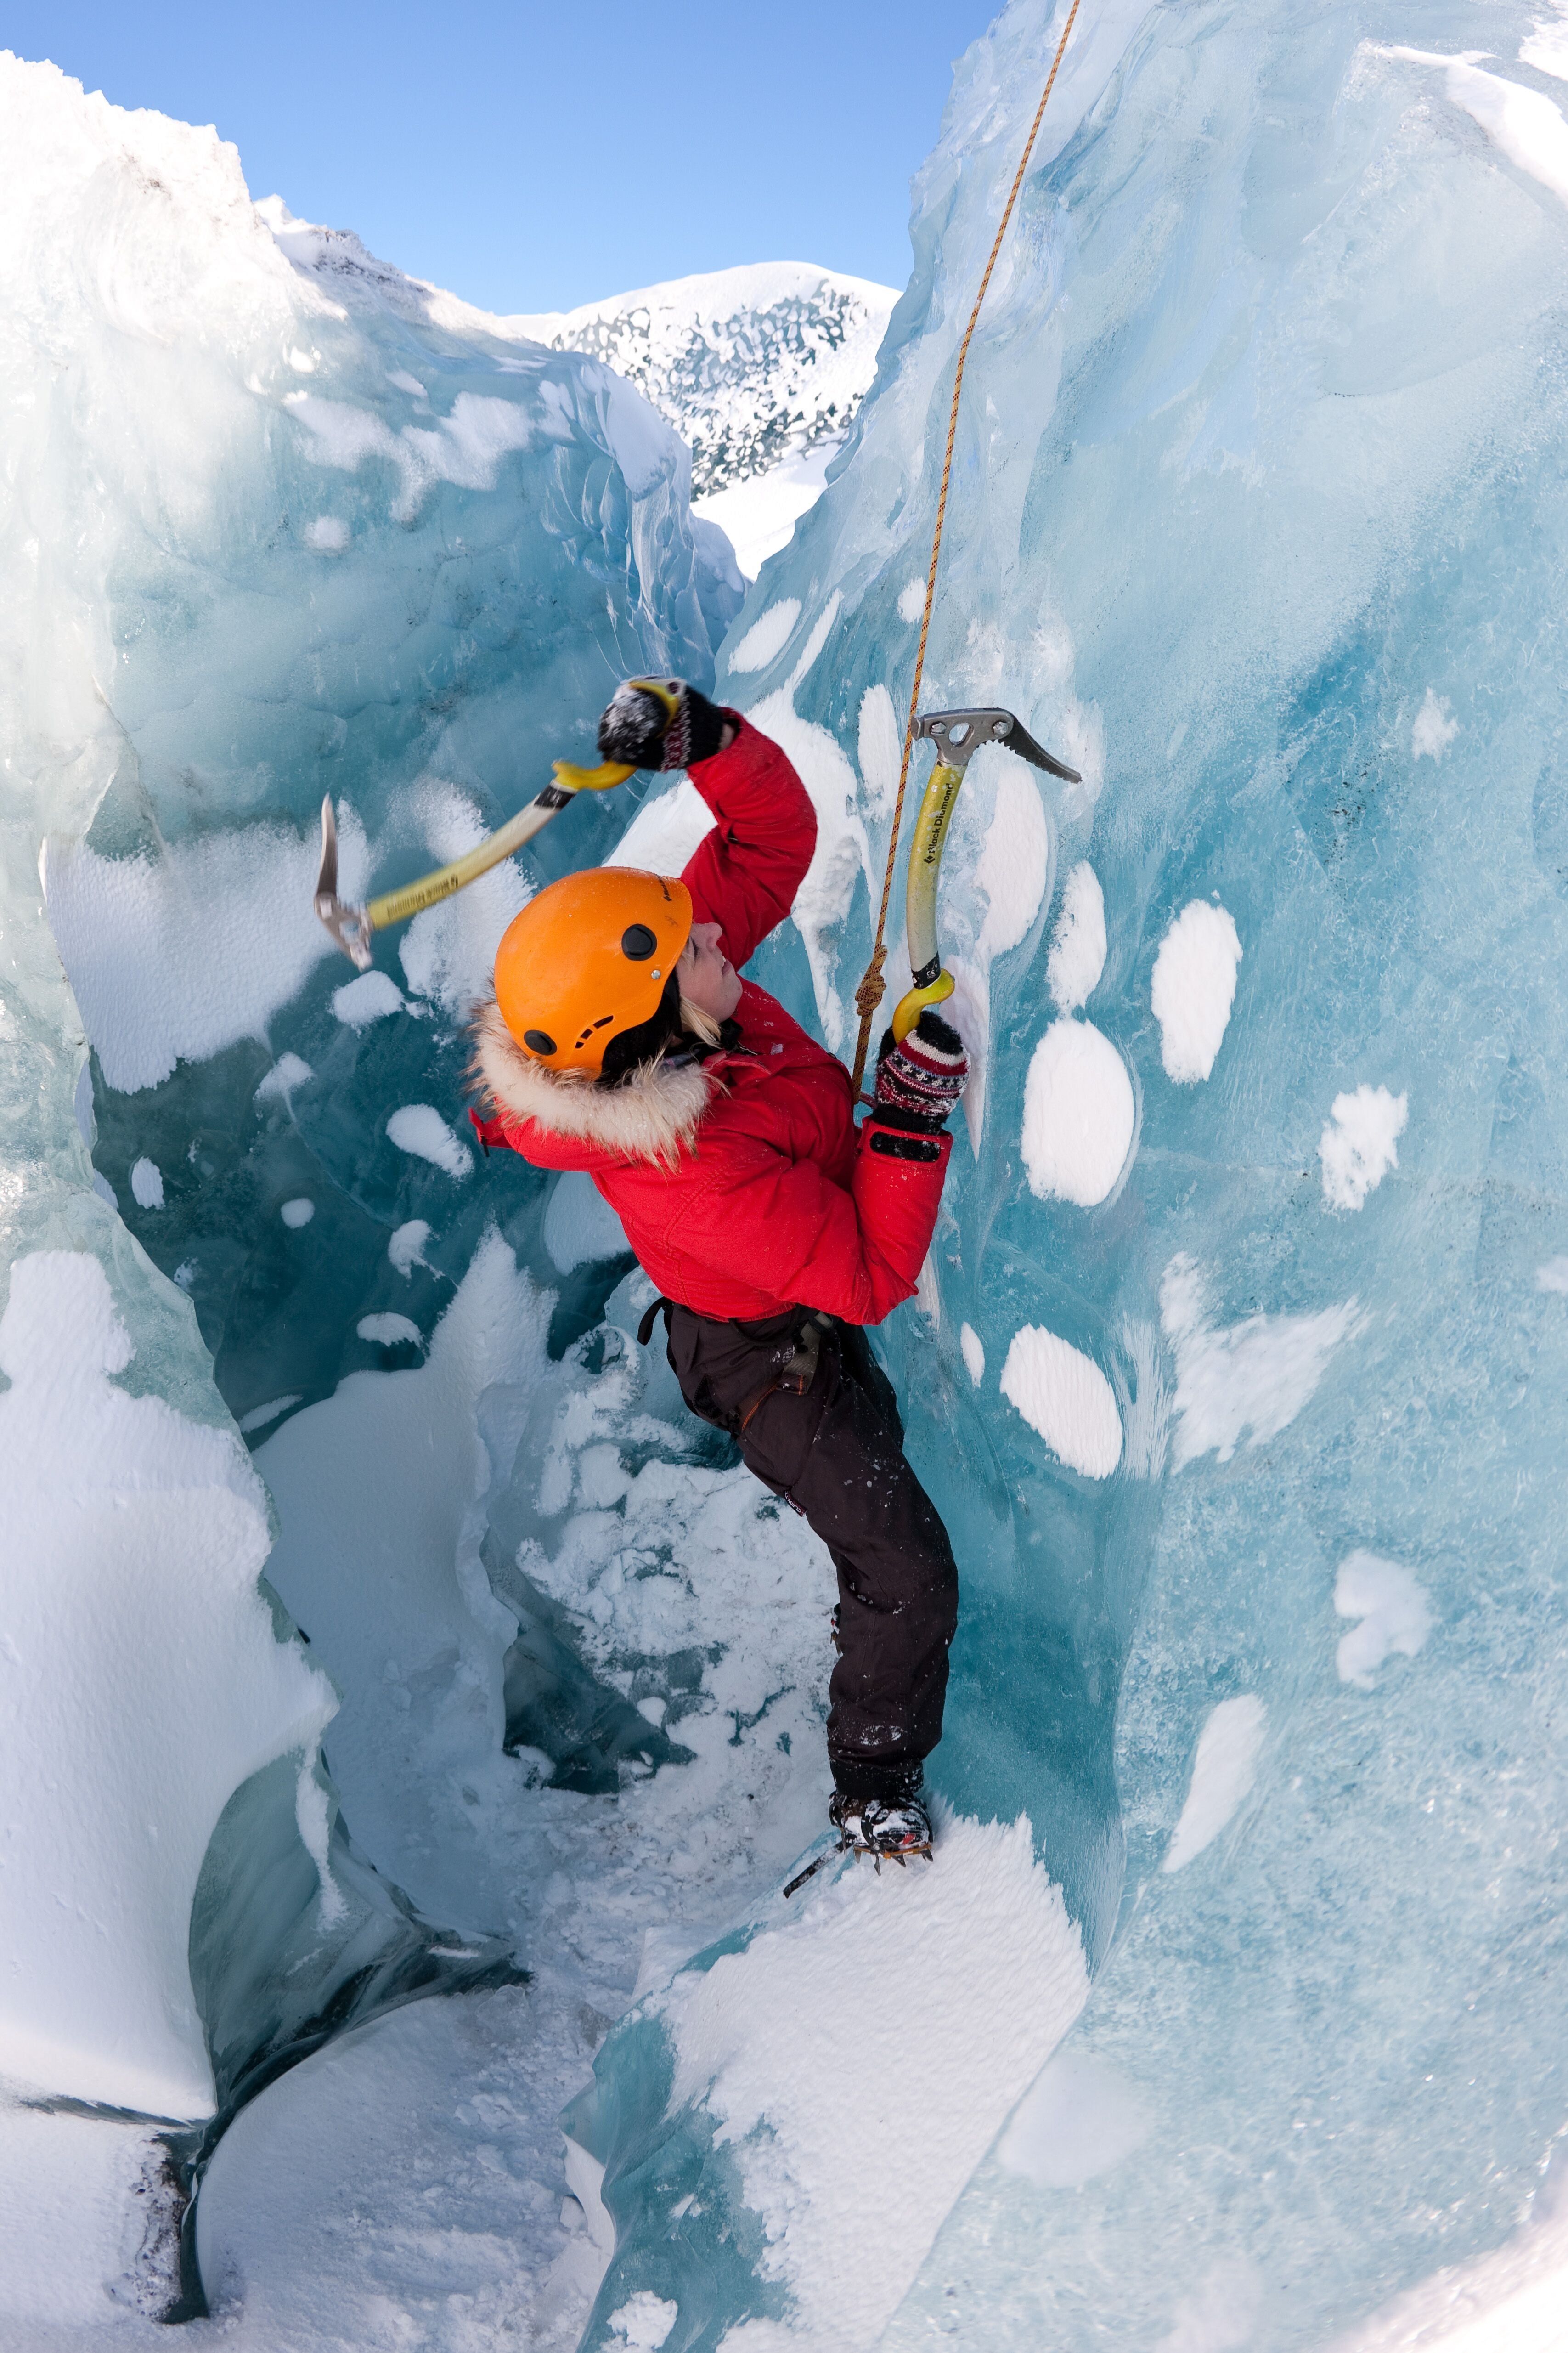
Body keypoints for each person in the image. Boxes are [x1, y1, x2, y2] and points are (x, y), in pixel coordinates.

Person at [469, 678, 966, 1861]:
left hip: (779, 1287)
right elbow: (867, 1276)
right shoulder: (702, 1169)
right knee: (906, 1570)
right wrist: (905, 1122)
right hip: (766, 1361)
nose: (715, 931)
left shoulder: (660, 1002)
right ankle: (872, 1788)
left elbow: (771, 841)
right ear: (655, 1032)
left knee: (887, 1495)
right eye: (695, 947)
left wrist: (706, 740)